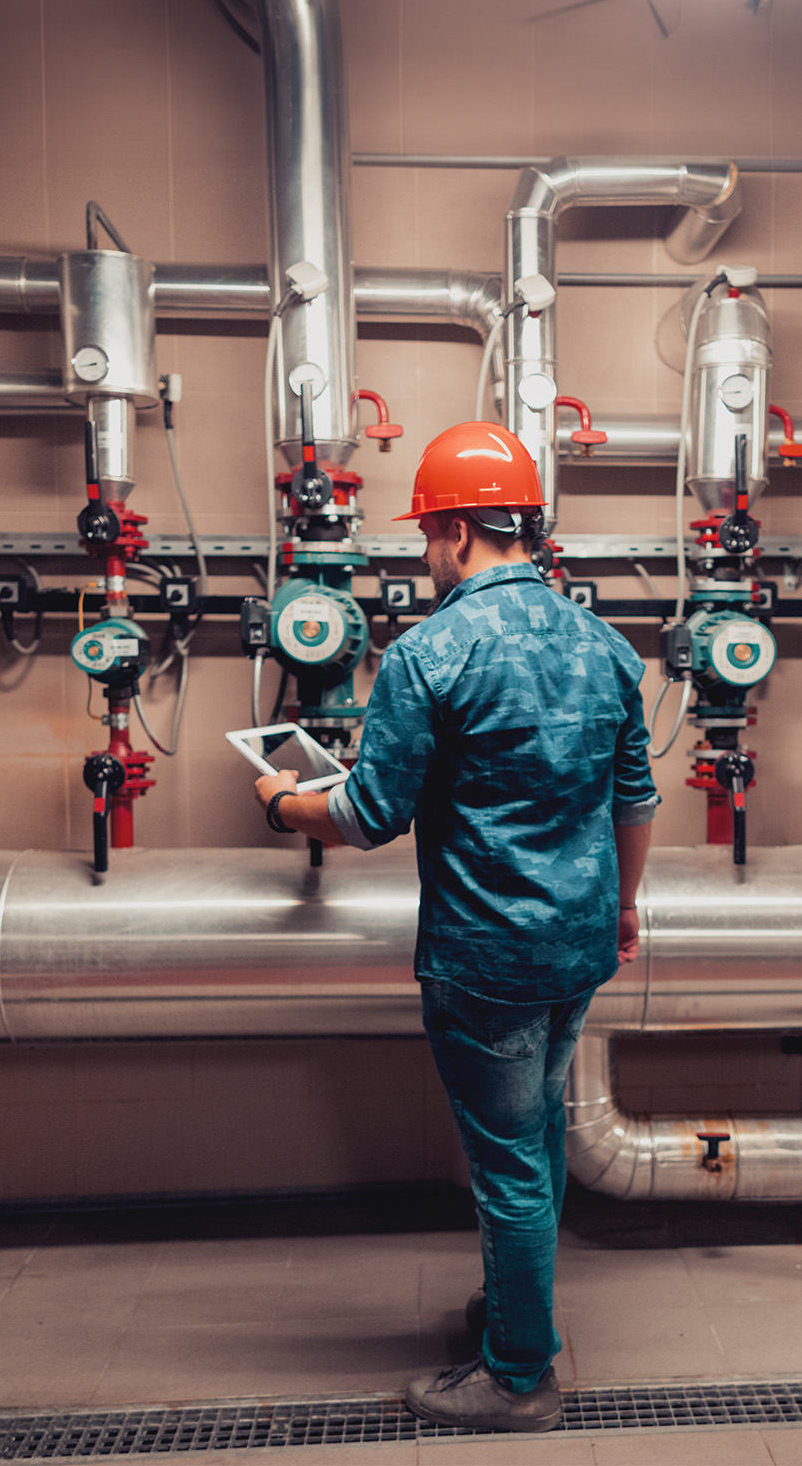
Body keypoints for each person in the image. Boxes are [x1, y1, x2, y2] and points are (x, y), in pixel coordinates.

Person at [253, 421, 657, 1433]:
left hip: (486, 960)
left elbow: (366, 814)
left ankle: (517, 1378)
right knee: (541, 1143)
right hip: (575, 950)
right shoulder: (606, 647)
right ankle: (522, 1312)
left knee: (511, 1162)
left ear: (464, 531)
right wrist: (622, 908)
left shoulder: (428, 655)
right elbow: (636, 798)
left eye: (429, 534)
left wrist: (282, 799)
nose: (424, 554)